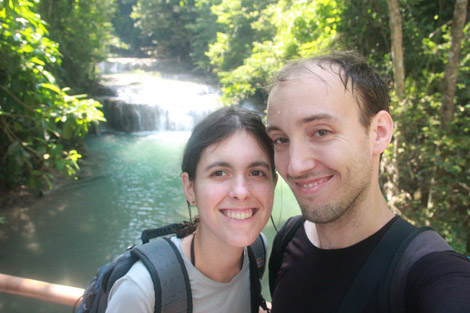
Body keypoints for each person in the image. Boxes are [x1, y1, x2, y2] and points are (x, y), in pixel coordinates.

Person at [265, 51, 470, 312]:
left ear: (379, 133)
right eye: (280, 140)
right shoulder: (288, 239)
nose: (294, 166)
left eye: (321, 132)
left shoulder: (428, 272)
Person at [105, 107, 277, 313]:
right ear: (190, 188)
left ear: (274, 183)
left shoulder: (256, 250)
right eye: (219, 173)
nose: (241, 192)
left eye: (256, 172)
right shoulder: (141, 291)